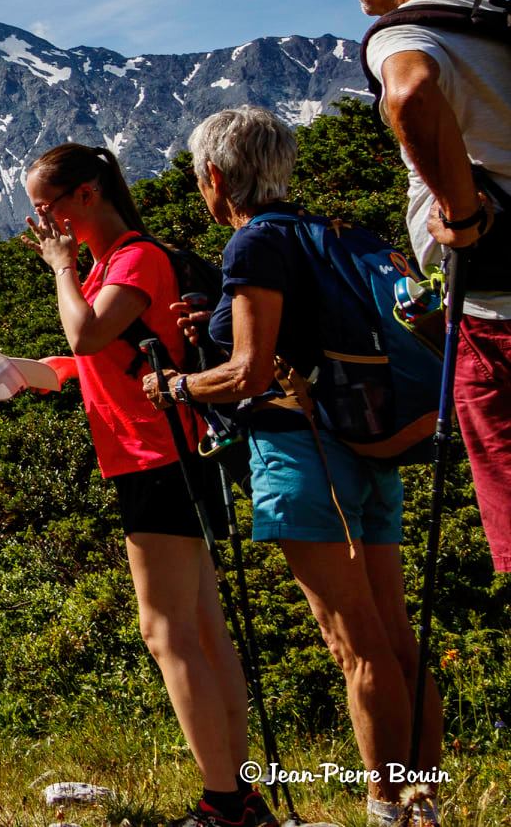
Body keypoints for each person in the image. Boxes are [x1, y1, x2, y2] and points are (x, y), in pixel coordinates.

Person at [145, 107, 442, 827]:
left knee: (356, 645)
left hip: (304, 456)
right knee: (398, 640)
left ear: (216, 176)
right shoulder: (328, 233)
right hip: (369, 448)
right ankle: (423, 803)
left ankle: (386, 808)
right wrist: (217, 316)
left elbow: (249, 374)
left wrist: (176, 386)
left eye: (199, 178)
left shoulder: (252, 244)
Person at [20, 142, 269, 827]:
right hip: (167, 453)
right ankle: (238, 790)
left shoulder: (132, 259)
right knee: (202, 627)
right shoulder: (112, 263)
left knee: (165, 631)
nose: (41, 222)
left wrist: (62, 267)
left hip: (153, 456)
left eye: (46, 206)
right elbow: (91, 361)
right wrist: (15, 369)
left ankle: (222, 799)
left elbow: (87, 331)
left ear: (86, 196)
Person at [307, 0, 511, 574]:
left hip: (496, 313)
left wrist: (461, 215)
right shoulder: (501, 1)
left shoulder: (406, 32)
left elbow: (412, 92)